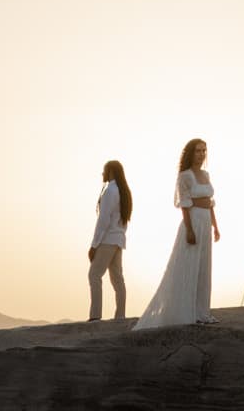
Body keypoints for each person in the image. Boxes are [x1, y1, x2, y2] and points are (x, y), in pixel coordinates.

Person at [131, 138, 219, 330]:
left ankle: (202, 312)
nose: (202, 154)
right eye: (198, 151)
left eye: (204, 151)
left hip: (206, 223)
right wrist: (189, 230)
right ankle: (185, 312)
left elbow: (210, 202)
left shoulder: (206, 174)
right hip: (194, 222)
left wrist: (216, 226)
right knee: (189, 267)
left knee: (204, 267)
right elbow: (185, 206)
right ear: (190, 153)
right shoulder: (185, 176)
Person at [86, 159, 131, 320]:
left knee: (94, 275)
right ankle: (120, 316)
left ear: (111, 171)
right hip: (118, 239)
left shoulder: (110, 191)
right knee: (117, 279)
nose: (102, 174)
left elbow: (104, 220)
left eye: (104, 170)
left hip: (108, 239)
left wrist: (94, 245)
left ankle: (95, 316)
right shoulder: (123, 191)